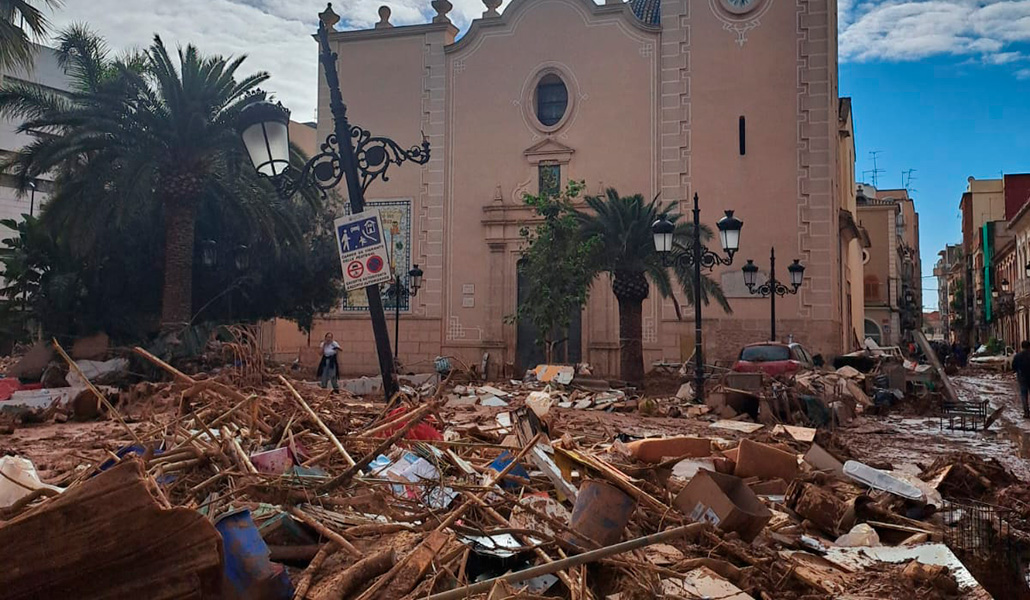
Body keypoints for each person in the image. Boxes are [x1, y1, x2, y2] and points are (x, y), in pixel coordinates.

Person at [1012, 341, 1030, 418]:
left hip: (1022, 377)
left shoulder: (1017, 356)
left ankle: (1026, 412)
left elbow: (1013, 366)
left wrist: (1017, 371)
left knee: (1024, 394)